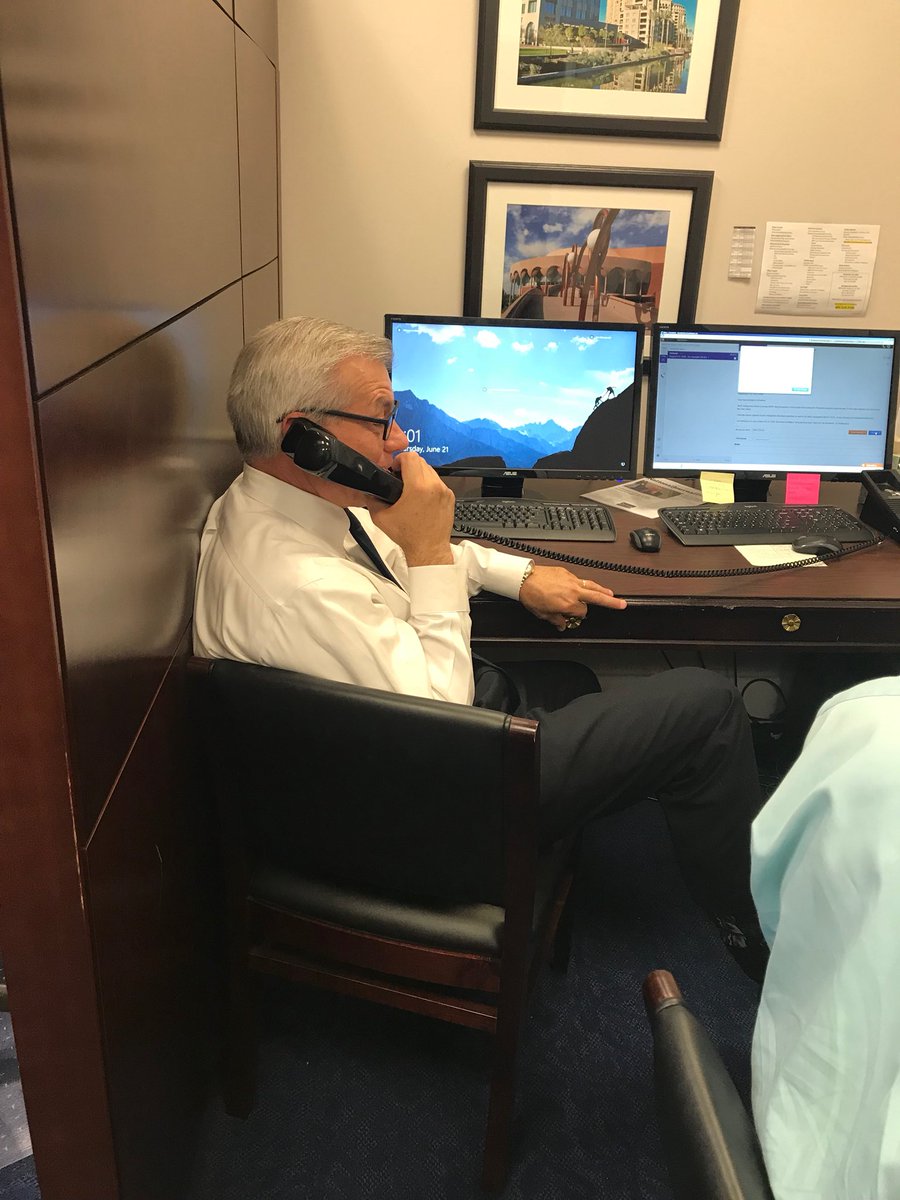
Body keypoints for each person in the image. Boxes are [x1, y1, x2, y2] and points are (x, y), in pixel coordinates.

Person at [194, 316, 768, 979]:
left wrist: (518, 576)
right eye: (381, 419)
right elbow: (442, 723)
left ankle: (561, 843)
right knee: (708, 706)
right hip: (427, 806)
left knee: (572, 678)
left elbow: (402, 561)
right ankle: (751, 934)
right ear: (303, 435)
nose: (400, 439)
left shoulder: (293, 503)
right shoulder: (298, 585)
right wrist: (430, 549)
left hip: (382, 757)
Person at [750, 677, 900, 1198]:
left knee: (704, 705)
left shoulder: (868, 720)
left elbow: (773, 889)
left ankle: (733, 935)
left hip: (802, 1132)